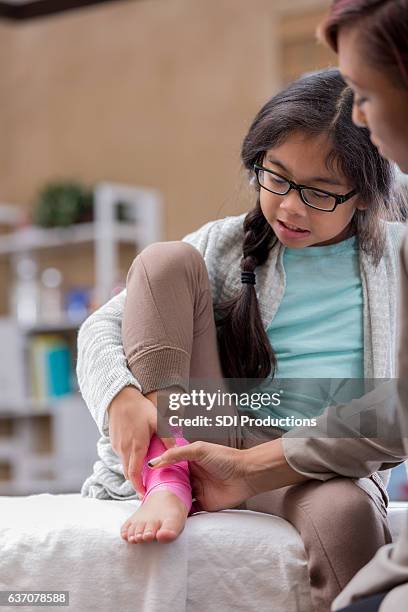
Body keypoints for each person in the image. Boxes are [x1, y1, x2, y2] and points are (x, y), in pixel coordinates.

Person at [77, 66, 406, 612]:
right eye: (274, 177)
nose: (290, 206)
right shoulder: (227, 244)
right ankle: (171, 477)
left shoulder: (397, 260)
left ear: (367, 196)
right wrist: (121, 397)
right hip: (209, 433)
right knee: (164, 261)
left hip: (312, 466)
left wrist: (263, 468)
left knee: (346, 518)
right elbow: (100, 329)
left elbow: (398, 412)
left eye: (320, 193)